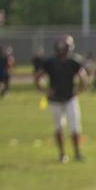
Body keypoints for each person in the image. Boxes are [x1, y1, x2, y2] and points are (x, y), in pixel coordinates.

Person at [35, 35, 87, 163]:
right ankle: (62, 154)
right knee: (58, 127)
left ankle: (77, 153)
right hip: (55, 100)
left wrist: (78, 90)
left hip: (70, 98)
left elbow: (83, 78)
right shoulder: (50, 62)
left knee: (74, 127)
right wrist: (46, 90)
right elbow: (38, 78)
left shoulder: (74, 61)